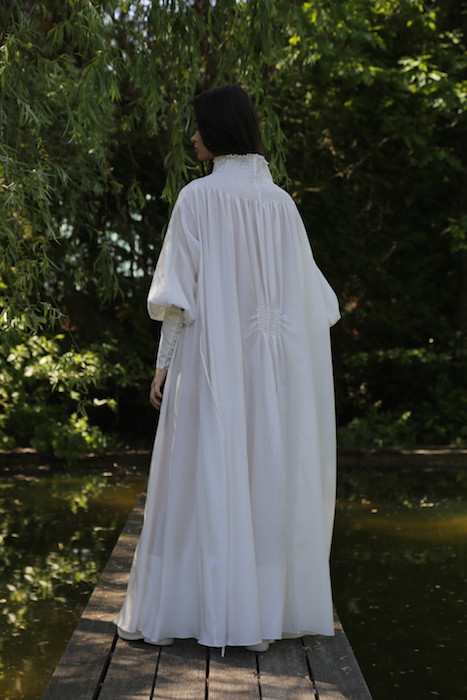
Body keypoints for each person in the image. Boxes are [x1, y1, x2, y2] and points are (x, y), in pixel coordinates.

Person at [114, 85, 340, 653]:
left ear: (217, 131)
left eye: (198, 127)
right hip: (273, 371)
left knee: (202, 470)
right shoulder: (282, 204)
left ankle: (199, 606)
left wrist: (163, 365)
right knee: (266, 473)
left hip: (211, 362)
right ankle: (262, 612)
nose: (192, 137)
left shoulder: (197, 198)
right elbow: (312, 301)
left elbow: (178, 298)